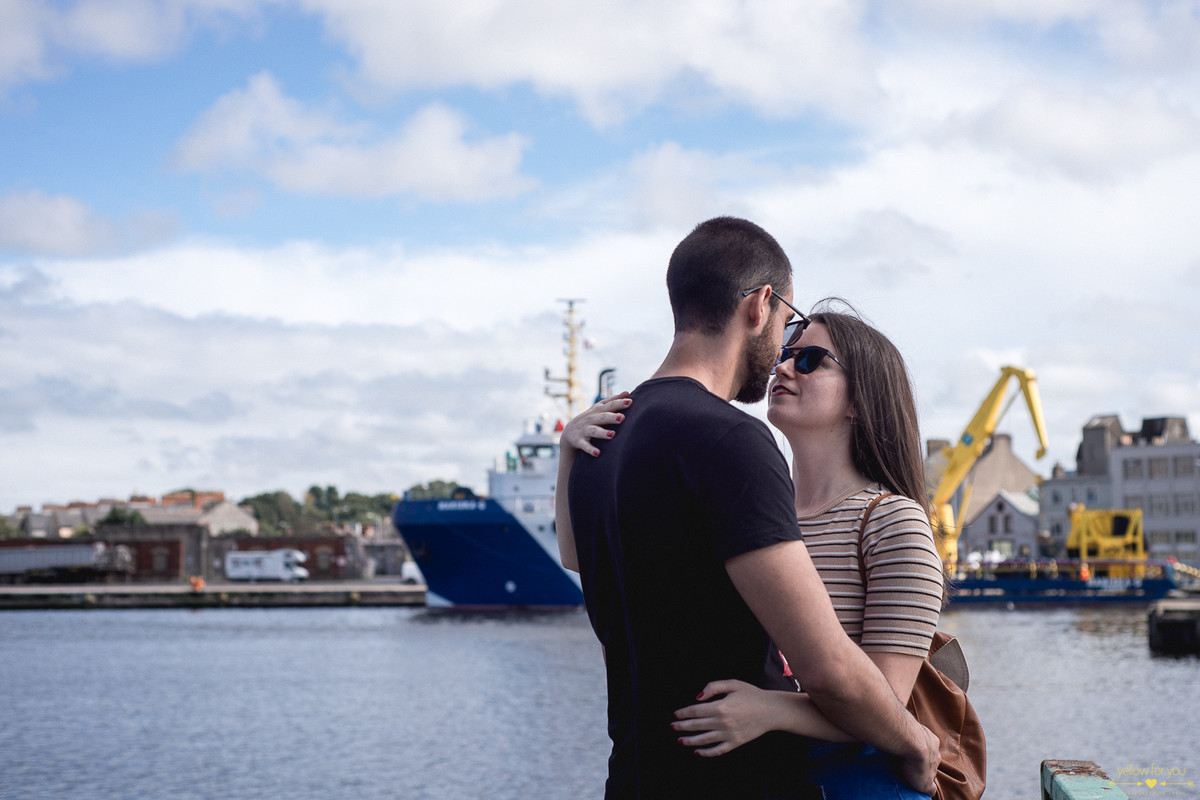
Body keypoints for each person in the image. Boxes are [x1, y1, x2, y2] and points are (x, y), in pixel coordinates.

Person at [557, 217, 939, 799]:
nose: (783, 362)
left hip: (637, 774)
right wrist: (917, 743)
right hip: (733, 780)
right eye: (788, 329)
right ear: (760, 305)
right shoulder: (729, 440)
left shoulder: (602, 438)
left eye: (808, 360)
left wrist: (567, 455)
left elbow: (577, 557)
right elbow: (831, 670)